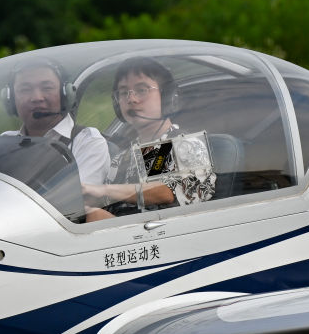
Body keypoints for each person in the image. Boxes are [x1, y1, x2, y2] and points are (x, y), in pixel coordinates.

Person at [83, 57, 215, 221]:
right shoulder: (121, 158)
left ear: (166, 97)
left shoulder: (186, 145)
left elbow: (166, 192)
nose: (132, 99)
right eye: (124, 93)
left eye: (142, 90)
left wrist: (102, 190)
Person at [1, 59, 110, 185]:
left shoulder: (87, 142)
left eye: (47, 88)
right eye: (25, 89)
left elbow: (76, 200)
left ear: (66, 94)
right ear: (11, 99)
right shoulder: (4, 142)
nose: (37, 98)